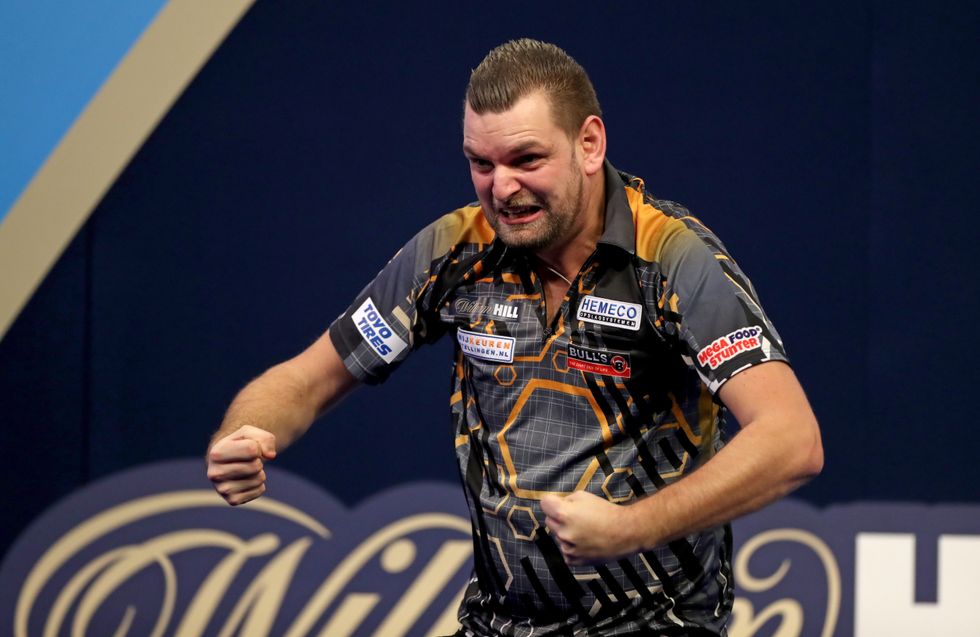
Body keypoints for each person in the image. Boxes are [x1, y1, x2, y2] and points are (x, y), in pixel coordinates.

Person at [206, 39, 822, 636]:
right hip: (499, 626)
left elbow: (791, 440)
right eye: (481, 164)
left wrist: (630, 527)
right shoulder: (456, 249)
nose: (502, 188)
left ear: (589, 143)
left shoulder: (670, 258)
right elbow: (307, 378)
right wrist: (248, 431)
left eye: (526, 160)